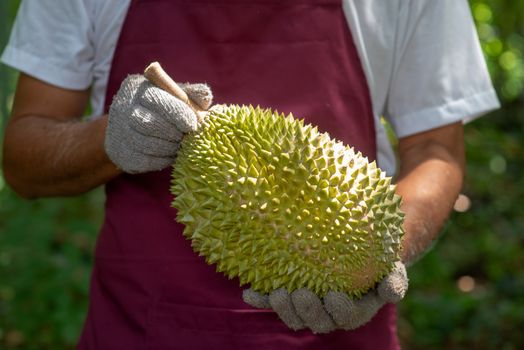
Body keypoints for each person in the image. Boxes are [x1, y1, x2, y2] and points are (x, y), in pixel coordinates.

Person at [1, 0, 499, 349]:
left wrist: (386, 253)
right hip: (142, 332)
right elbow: (22, 155)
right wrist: (105, 139)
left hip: (344, 339)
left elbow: (436, 147)